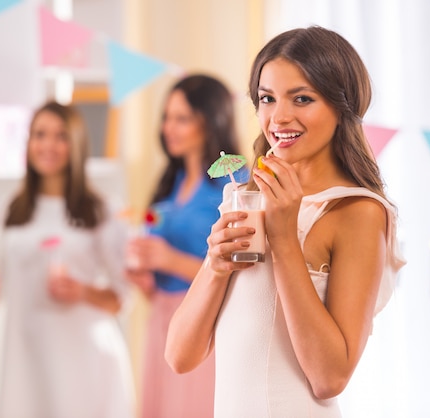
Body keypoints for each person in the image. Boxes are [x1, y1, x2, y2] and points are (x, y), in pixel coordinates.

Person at [165, 26, 406, 417]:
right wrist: (215, 265)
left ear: (342, 105)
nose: (279, 117)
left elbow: (329, 377)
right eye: (267, 98)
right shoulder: (242, 199)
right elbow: (179, 356)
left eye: (302, 98)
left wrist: (284, 237)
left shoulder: (356, 212)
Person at [0, 101, 134, 418]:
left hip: (83, 361)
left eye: (60, 136)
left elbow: (121, 299)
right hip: (24, 359)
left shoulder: (101, 211)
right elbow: (0, 283)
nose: (48, 145)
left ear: (76, 143)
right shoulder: (9, 210)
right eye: (39, 134)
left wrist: (83, 291)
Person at [126, 74, 247, 418]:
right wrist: (146, 277)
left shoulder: (235, 185)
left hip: (204, 323)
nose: (169, 127)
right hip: (162, 318)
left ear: (210, 122)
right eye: (166, 117)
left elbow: (242, 275)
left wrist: (172, 260)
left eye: (182, 118)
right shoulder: (170, 183)